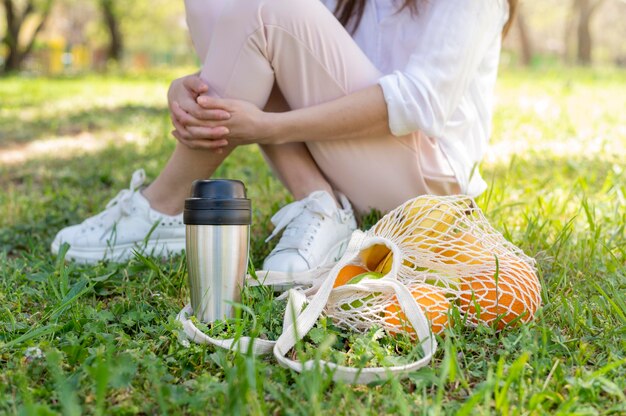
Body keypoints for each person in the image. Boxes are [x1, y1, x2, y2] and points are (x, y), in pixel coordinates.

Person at [51, 0, 517, 270]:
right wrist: (187, 85)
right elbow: (269, 53)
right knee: (215, 4)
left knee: (269, 6)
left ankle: (161, 207)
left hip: (425, 193)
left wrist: (269, 127)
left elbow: (421, 101)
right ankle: (321, 205)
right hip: (359, 167)